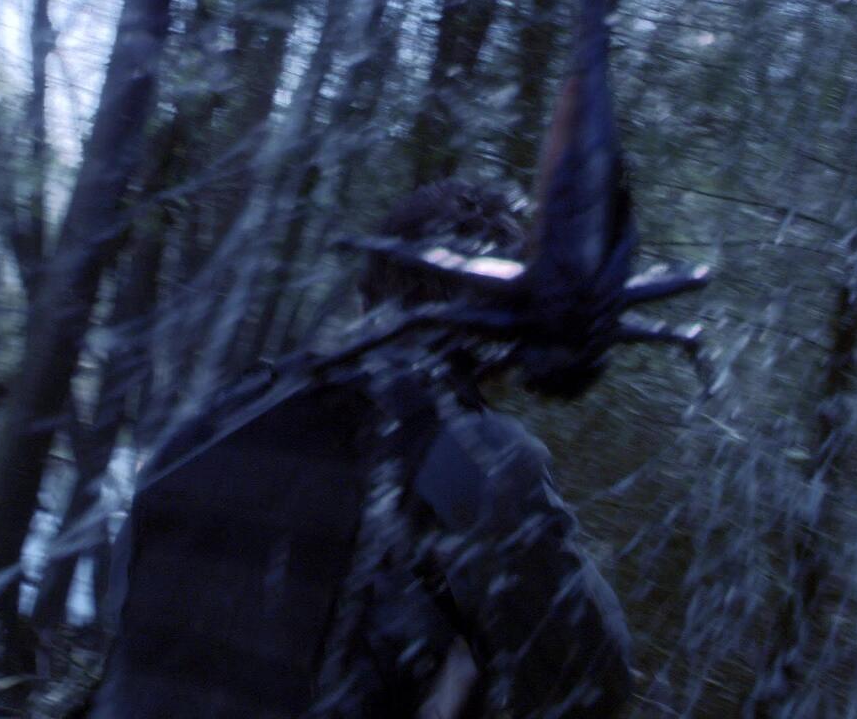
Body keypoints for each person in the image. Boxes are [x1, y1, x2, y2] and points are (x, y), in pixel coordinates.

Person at [87, 179, 633, 718]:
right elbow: (593, 681)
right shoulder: (474, 454)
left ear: (367, 293)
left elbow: (123, 604)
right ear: (504, 330)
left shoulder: (228, 412)